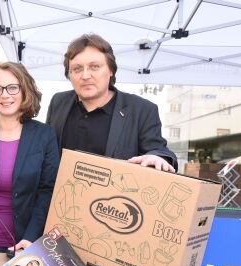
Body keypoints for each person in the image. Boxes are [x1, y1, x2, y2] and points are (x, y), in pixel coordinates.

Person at [0, 62, 60, 252]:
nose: (4, 95)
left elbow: (47, 192)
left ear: (25, 90)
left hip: (23, 244)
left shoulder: (44, 135)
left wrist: (31, 238)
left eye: (12, 87)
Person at [47, 34, 177, 172]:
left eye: (94, 67)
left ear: (111, 70)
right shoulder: (58, 102)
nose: (85, 76)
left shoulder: (141, 110)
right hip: (62, 192)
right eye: (77, 69)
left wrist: (158, 158)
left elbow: (158, 150)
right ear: (69, 74)